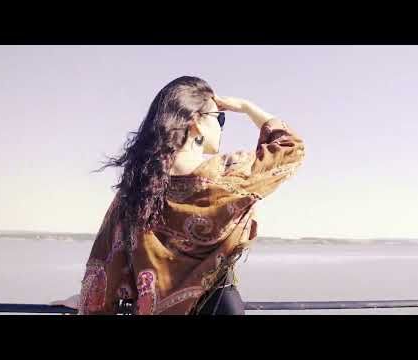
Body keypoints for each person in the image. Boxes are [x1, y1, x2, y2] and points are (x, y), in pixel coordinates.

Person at [50, 75, 306, 315]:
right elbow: (291, 148)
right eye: (219, 118)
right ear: (195, 123)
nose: (221, 126)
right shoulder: (230, 175)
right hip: (219, 307)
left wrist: (84, 300)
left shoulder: (137, 190)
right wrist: (247, 107)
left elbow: (108, 262)